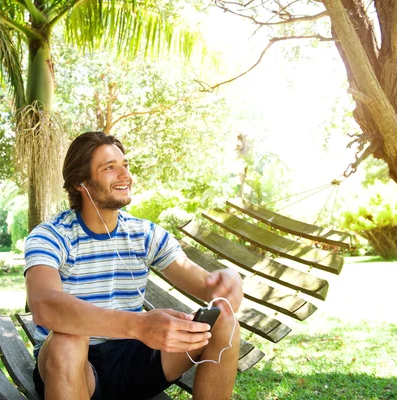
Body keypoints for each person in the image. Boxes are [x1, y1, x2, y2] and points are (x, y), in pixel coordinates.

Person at [24, 131, 243, 400]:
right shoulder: (51, 235)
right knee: (67, 340)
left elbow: (207, 285)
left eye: (125, 165)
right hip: (74, 368)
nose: (124, 175)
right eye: (109, 168)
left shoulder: (145, 234)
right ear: (81, 183)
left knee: (224, 320)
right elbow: (44, 304)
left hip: (133, 359)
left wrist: (227, 279)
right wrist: (138, 325)